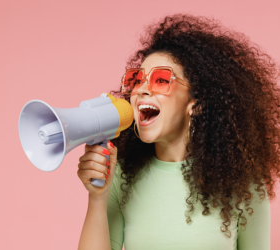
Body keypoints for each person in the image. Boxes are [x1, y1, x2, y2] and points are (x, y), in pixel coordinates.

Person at [77, 13, 280, 250]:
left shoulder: (244, 184)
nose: (142, 89)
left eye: (161, 80)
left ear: (196, 103)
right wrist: (97, 198)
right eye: (137, 79)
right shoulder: (120, 176)